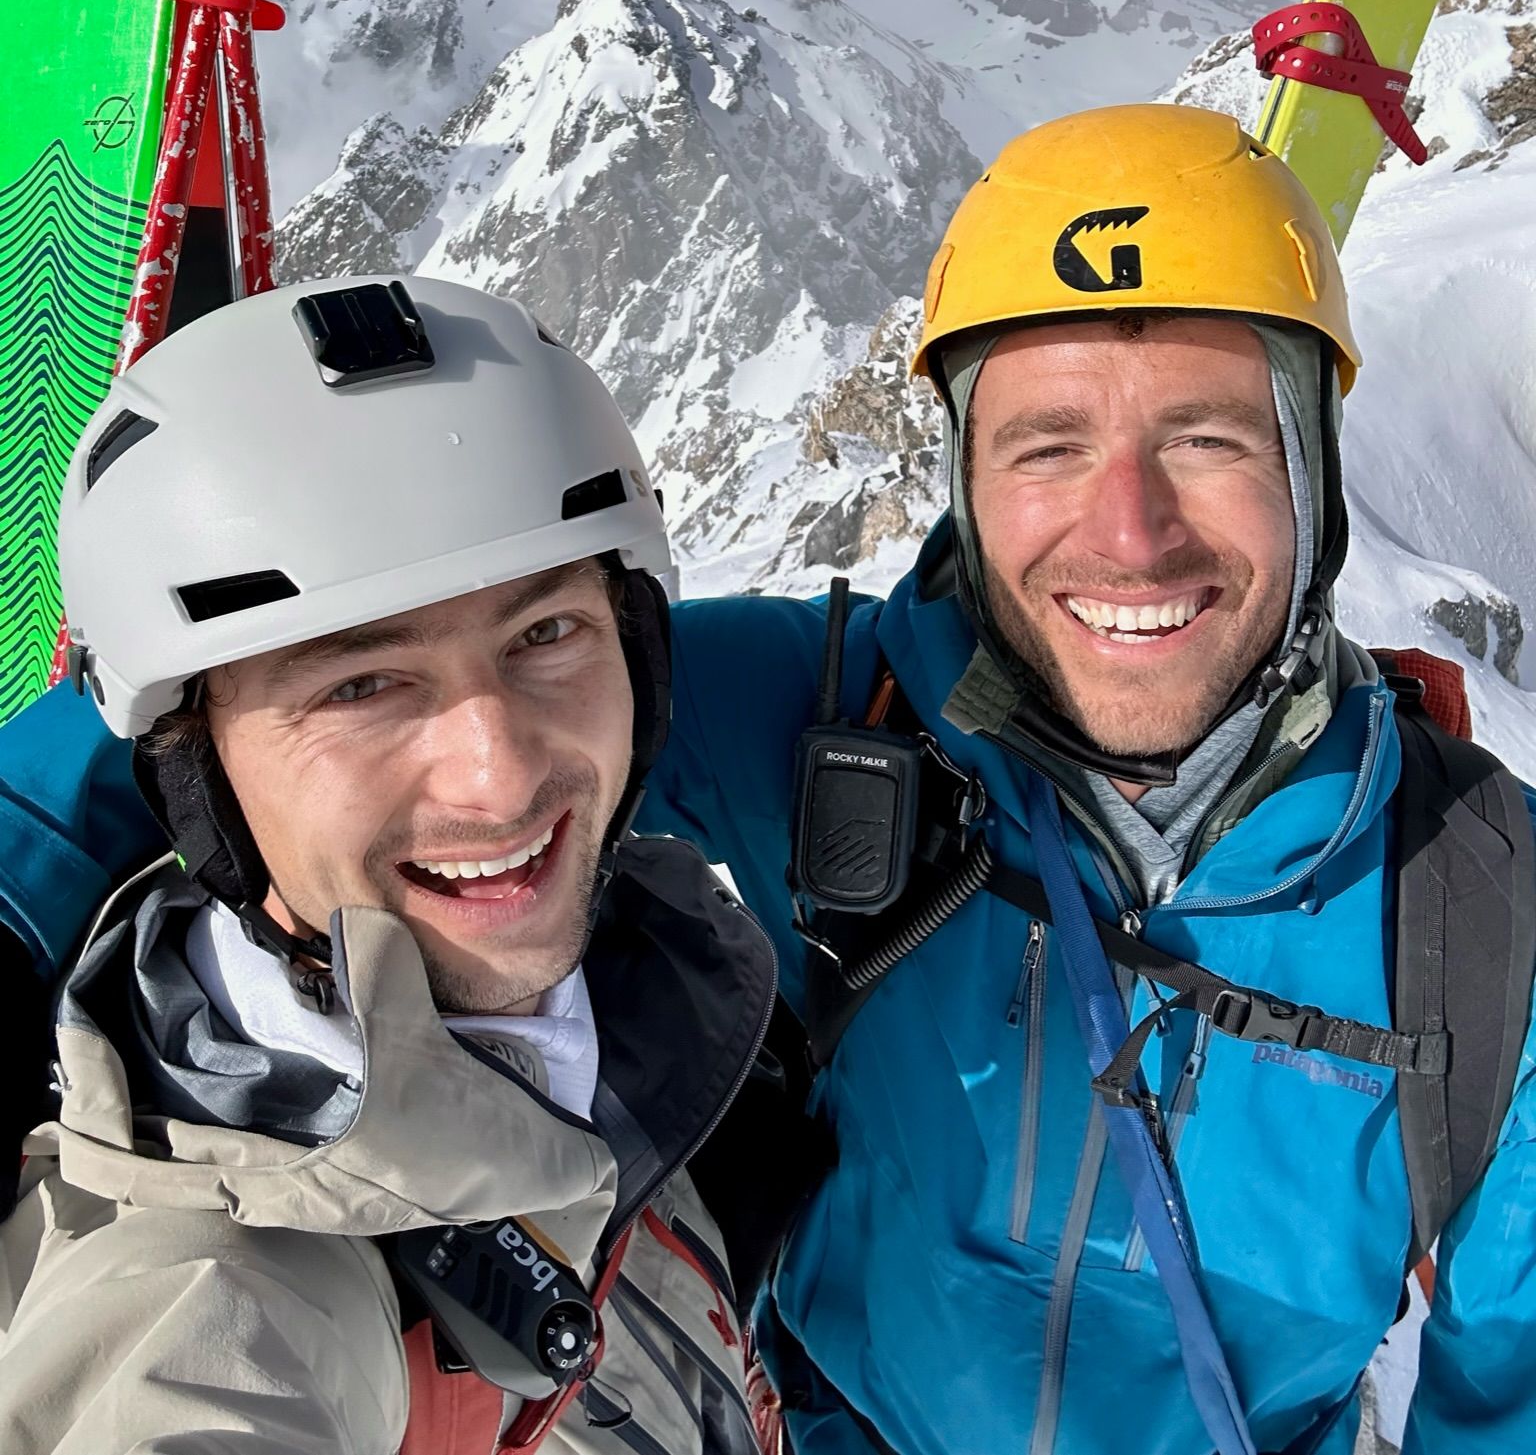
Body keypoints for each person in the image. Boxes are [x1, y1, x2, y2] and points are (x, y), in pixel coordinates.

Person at [3, 106, 1534, 1454]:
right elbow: (306, 691)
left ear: (1316, 473)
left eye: (1206, 439)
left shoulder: (1486, 913)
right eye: (1047, 448)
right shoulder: (832, 713)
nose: (1129, 535)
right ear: (960, 481)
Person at [0, 275, 775, 1455]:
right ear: (195, 771)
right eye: (360, 686)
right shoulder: (207, 1298)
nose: (497, 774)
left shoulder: (620, 1017)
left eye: (546, 634)